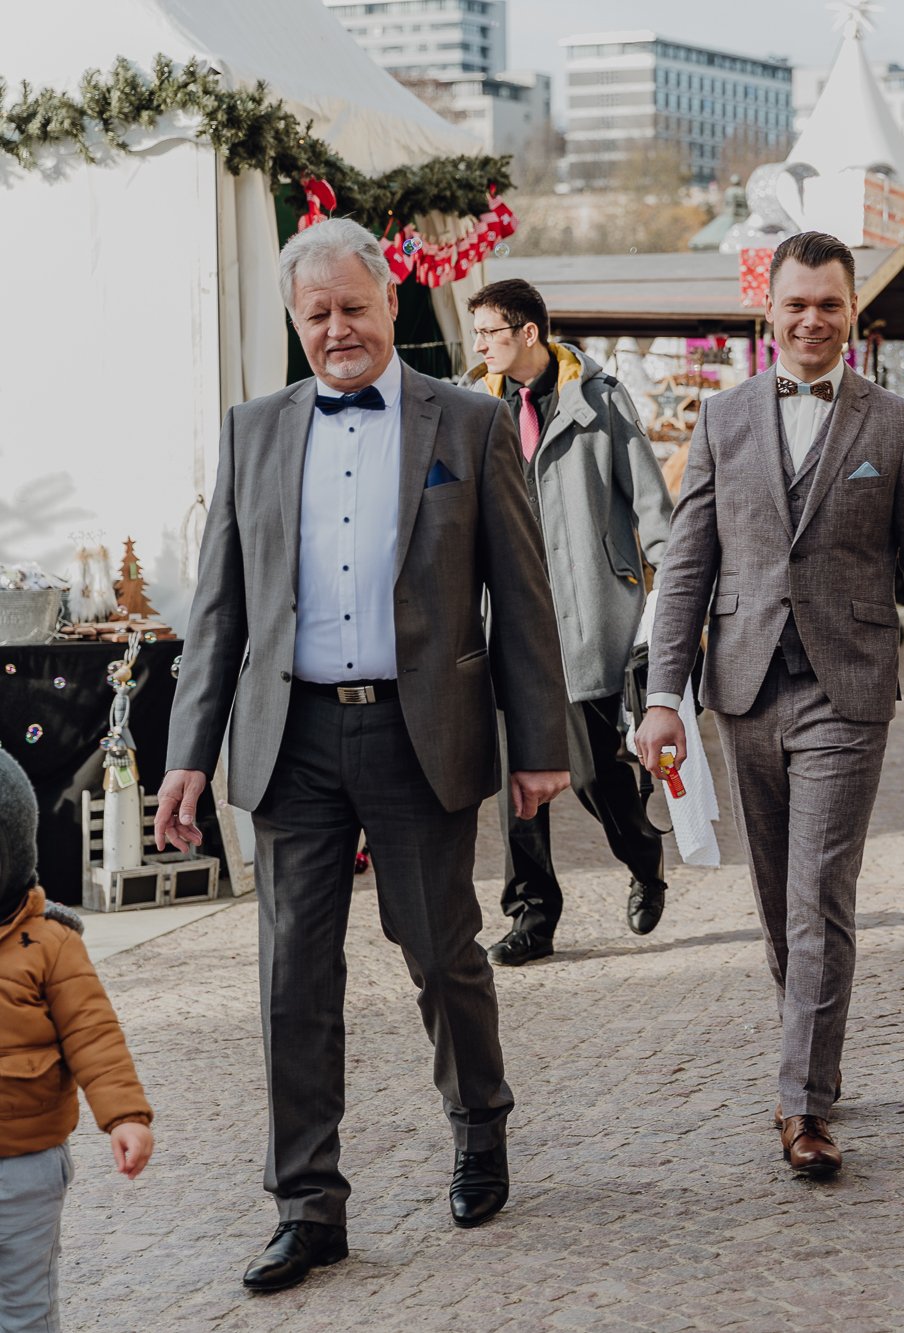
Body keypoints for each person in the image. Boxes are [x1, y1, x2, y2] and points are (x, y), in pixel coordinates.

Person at [157, 217, 571, 1290]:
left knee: (440, 952)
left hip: (417, 729)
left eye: (354, 308)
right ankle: (307, 1203)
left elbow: (521, 599)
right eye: (316, 316)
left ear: (392, 304)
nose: (337, 330)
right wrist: (185, 756)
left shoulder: (471, 424)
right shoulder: (253, 429)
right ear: (296, 325)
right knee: (293, 978)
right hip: (288, 739)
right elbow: (219, 613)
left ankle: (480, 1124)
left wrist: (539, 746)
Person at [635, 231, 904, 1179]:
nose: (813, 319)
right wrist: (666, 695)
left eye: (830, 304)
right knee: (780, 901)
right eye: (797, 304)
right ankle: (810, 1050)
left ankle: (803, 1104)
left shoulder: (896, 423)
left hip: (848, 685)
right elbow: (688, 562)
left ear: (851, 313)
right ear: (769, 313)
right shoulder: (721, 418)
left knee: (820, 893)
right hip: (743, 686)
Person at [465, 278, 677, 965]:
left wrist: (669, 586)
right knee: (517, 780)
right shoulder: (477, 412)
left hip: (585, 611)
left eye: (489, 332)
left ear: (528, 332)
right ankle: (533, 914)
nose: (479, 346)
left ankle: (642, 857)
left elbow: (649, 501)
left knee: (593, 775)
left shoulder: (601, 401)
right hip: (508, 622)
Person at [0, 748, 153, 1328]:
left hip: (24, 1167)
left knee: (23, 1307)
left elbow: (94, 1036)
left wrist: (126, 1117)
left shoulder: (50, 943)